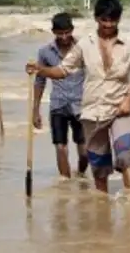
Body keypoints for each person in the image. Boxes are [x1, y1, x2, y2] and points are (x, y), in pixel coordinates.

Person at [26, 0, 130, 193]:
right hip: (92, 113)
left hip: (120, 110)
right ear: (96, 19)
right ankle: (102, 211)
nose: (108, 25)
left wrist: (129, 100)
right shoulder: (84, 45)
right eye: (104, 20)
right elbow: (62, 70)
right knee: (99, 169)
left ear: (119, 20)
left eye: (113, 20)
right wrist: (40, 70)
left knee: (125, 158)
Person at [33, 12, 88, 179]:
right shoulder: (45, 52)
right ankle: (65, 184)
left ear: (72, 30)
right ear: (53, 32)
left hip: (81, 106)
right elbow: (40, 81)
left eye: (67, 32)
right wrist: (35, 109)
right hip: (58, 105)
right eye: (60, 33)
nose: (64, 37)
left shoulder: (83, 49)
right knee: (60, 147)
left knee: (84, 150)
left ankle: (80, 175)